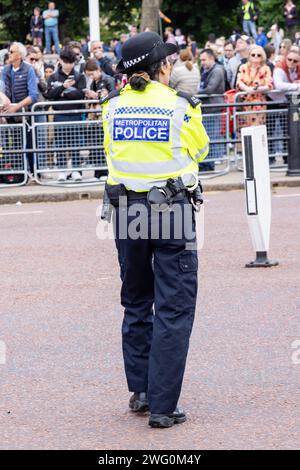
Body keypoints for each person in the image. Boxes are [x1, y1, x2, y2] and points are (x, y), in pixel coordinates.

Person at [101, 31, 209, 428]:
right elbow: (201, 150)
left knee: (136, 301)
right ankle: (163, 407)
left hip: (127, 210)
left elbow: (115, 154)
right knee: (173, 306)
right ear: (161, 67)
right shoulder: (181, 105)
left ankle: (142, 392)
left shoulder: (110, 107)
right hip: (171, 211)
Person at [44, 47, 86, 182]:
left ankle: (75, 170)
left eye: (71, 62)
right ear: (60, 61)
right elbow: (50, 95)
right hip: (59, 115)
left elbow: (81, 94)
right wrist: (63, 87)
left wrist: (63, 93)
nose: (69, 65)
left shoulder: (80, 76)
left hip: (75, 114)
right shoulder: (53, 77)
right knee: (60, 143)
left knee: (75, 144)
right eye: (66, 61)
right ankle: (62, 171)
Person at [1, 42, 39, 175]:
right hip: (8, 115)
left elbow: (33, 95)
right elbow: (1, 88)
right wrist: (4, 98)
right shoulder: (6, 70)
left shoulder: (29, 70)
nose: (9, 54)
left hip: (25, 115)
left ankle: (35, 173)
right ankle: (18, 174)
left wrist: (16, 107)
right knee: (14, 146)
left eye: (11, 52)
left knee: (29, 145)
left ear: (19, 55)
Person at [199, 48, 226, 171]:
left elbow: (210, 89)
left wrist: (195, 93)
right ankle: (206, 163)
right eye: (201, 60)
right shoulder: (207, 70)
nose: (202, 62)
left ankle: (209, 164)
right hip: (208, 107)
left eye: (204, 60)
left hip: (213, 107)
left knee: (212, 137)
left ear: (211, 58)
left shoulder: (217, 70)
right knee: (206, 137)